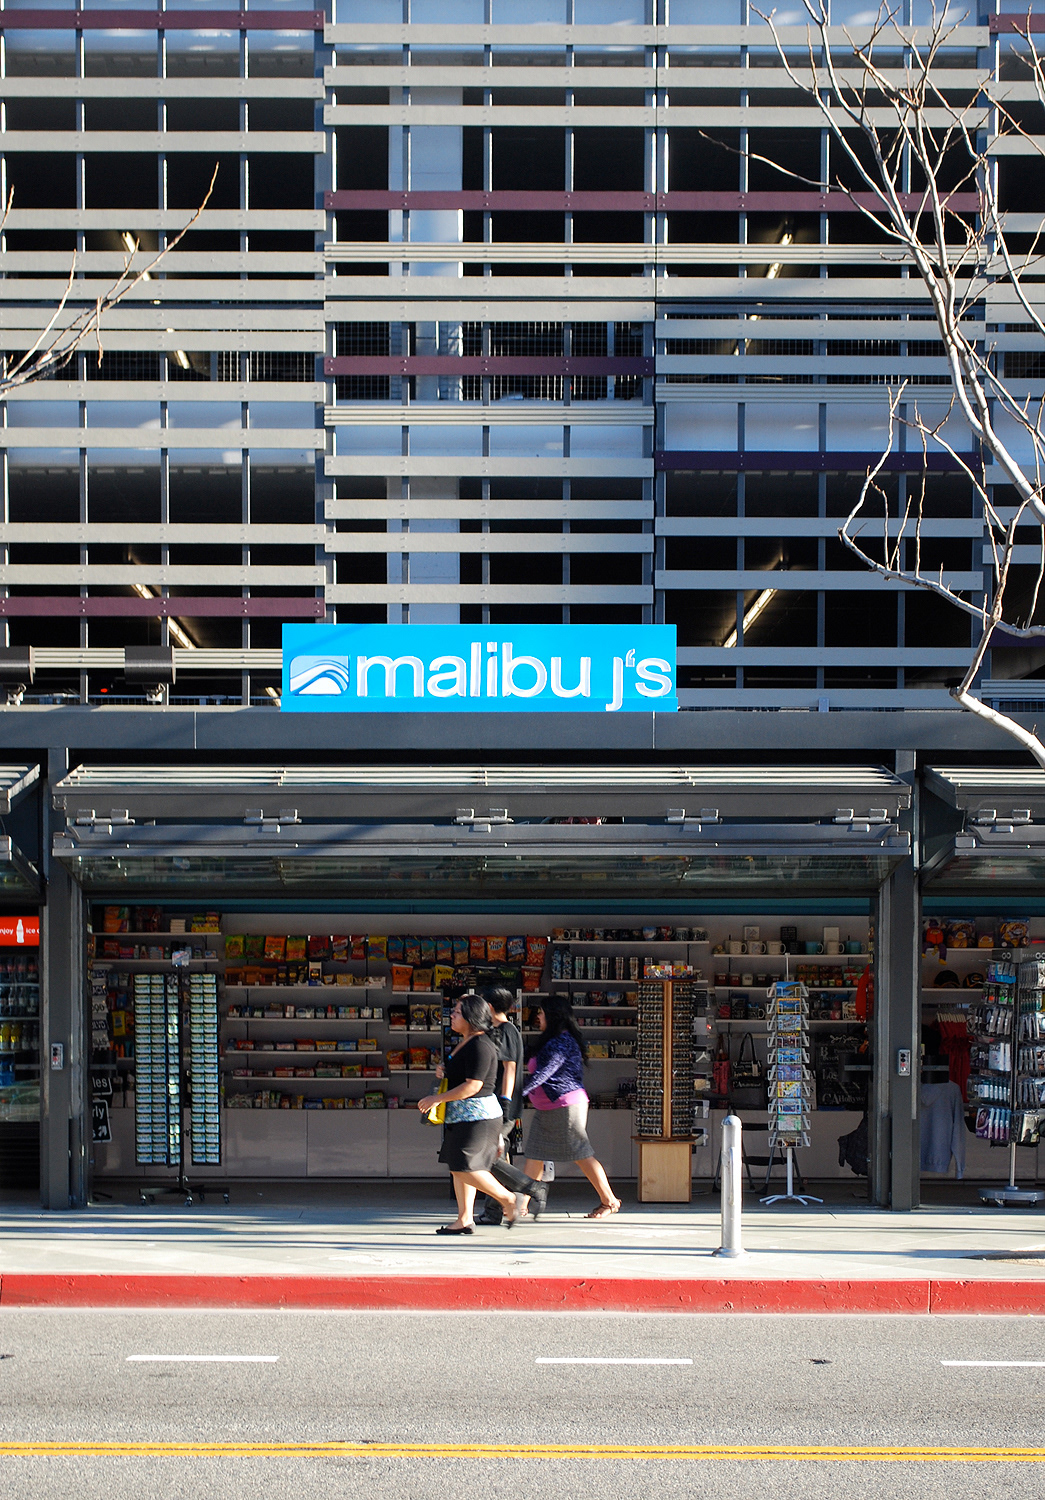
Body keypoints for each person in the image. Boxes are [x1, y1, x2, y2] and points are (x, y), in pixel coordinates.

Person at [417, 993, 522, 1235]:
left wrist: (437, 1099)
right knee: (456, 1166)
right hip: (461, 1116)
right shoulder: (466, 1042)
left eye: (456, 1012)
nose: (451, 1015)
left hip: (479, 1117)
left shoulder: (481, 1045)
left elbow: (473, 1086)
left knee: (466, 1165)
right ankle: (464, 1219)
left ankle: (506, 1197)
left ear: (470, 1017)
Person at [519, 994, 621, 1220]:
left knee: (581, 1154)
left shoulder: (562, 1042)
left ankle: (609, 1201)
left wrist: (519, 1092)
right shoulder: (551, 1040)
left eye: (542, 1012)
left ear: (553, 1016)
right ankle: (520, 1206)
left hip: (565, 1107)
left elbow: (545, 1072)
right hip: (548, 1107)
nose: (538, 1016)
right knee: (535, 1155)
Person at [474, 985, 547, 1227]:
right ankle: (495, 1209)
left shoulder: (506, 1031)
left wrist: (504, 1103)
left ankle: (531, 1188)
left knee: (489, 1155)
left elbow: (510, 1069)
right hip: (495, 1102)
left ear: (491, 1007)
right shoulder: (496, 1030)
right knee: (498, 1154)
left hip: (500, 1103)